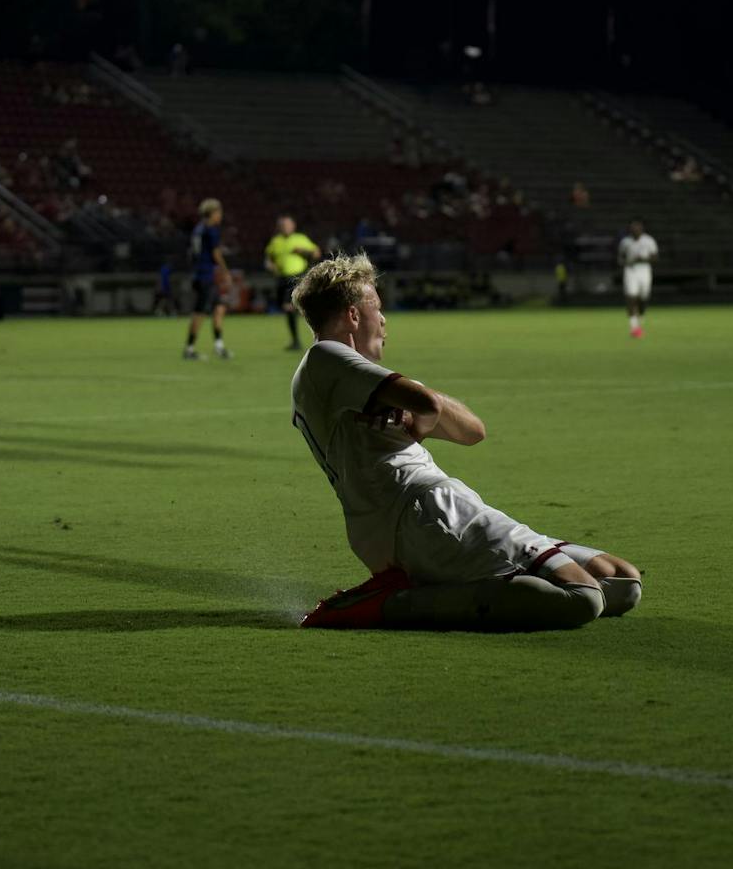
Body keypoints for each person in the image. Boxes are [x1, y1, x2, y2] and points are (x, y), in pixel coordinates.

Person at [290, 253, 642, 631]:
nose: (385, 319)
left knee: (621, 582)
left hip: (409, 520)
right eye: (377, 305)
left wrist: (416, 414)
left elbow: (473, 430)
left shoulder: (358, 383)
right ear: (354, 315)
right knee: (582, 596)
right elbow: (428, 404)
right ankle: (388, 603)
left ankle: (430, 586)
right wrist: (421, 415)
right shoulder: (326, 355)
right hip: (423, 510)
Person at [183, 197, 232, 360]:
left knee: (219, 308)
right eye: (219, 212)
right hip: (204, 276)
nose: (220, 216)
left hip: (202, 274)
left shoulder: (198, 229)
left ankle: (218, 345)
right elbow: (215, 253)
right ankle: (189, 349)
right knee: (200, 312)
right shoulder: (211, 229)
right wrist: (225, 271)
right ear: (212, 213)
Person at [264, 214, 321, 350]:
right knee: (287, 308)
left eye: (287, 225)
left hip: (297, 276)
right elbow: (268, 258)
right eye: (283, 225)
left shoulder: (300, 239)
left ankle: (303, 339)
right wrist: (269, 265)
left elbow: (316, 253)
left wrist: (303, 251)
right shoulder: (275, 241)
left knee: (289, 307)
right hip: (282, 278)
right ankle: (296, 340)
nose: (285, 227)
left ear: (293, 226)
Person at [617, 219, 658, 339]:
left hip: (644, 271)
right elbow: (620, 258)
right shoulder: (625, 242)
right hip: (631, 271)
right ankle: (634, 326)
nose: (635, 231)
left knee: (643, 297)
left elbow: (655, 257)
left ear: (642, 229)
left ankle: (640, 316)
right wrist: (627, 262)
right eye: (633, 228)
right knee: (631, 297)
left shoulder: (649, 241)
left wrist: (643, 259)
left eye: (637, 228)